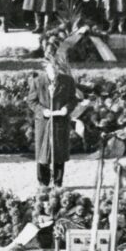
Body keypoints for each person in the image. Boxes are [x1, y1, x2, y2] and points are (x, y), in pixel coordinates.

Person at [26, 55, 77, 188]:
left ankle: (58, 182)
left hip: (61, 122)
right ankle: (43, 182)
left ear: (59, 69)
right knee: (43, 153)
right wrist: (42, 111)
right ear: (46, 69)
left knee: (59, 152)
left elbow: (73, 99)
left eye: (56, 69)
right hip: (44, 122)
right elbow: (31, 101)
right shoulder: (37, 81)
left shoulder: (68, 81)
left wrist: (66, 108)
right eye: (50, 69)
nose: (53, 72)